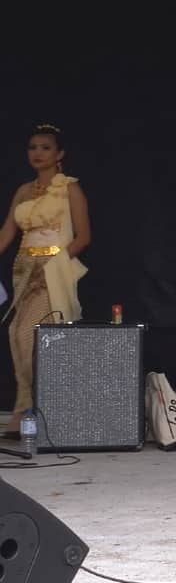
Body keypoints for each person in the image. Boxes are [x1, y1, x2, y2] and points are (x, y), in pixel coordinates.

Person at [0, 124, 91, 437]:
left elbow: (83, 237)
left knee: (28, 336)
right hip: (24, 267)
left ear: (60, 154)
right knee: (15, 335)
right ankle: (26, 410)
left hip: (54, 270)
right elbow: (7, 234)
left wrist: (53, 265)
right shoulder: (23, 191)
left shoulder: (69, 188)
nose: (37, 153)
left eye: (45, 147)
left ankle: (34, 411)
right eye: (32, 147)